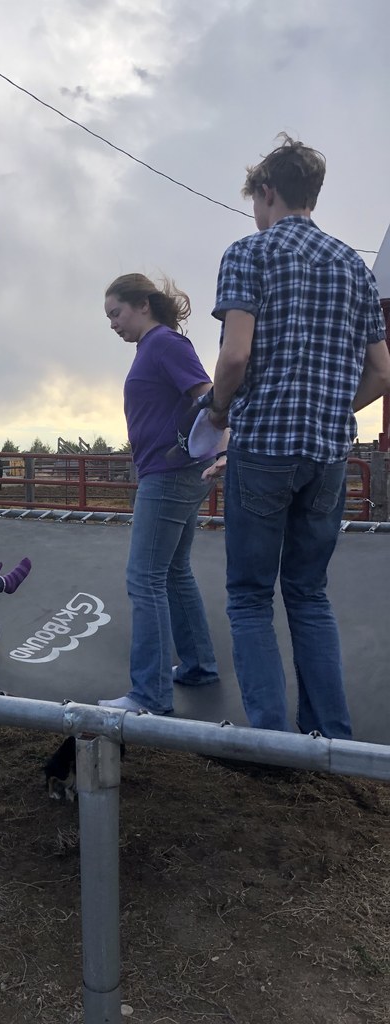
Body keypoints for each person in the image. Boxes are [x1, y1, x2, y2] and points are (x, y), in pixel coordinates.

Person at [206, 133, 390, 739]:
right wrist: (338, 406)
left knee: (251, 596)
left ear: (267, 192)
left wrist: (219, 411)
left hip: (263, 449)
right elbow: (383, 371)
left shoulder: (249, 253)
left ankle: (270, 742)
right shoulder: (352, 267)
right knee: (309, 595)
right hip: (328, 454)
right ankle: (331, 738)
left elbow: (235, 358)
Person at [98, 274, 225, 716]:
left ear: (143, 305)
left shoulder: (166, 344)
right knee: (173, 572)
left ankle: (149, 695)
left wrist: (223, 449)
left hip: (170, 474)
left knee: (144, 577)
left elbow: (209, 395)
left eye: (116, 313)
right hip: (171, 471)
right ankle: (198, 666)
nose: (113, 323)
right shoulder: (151, 348)